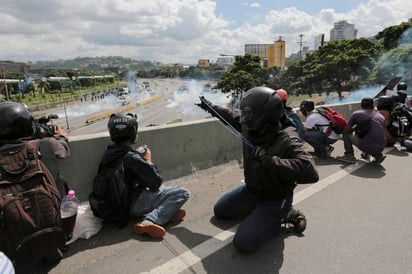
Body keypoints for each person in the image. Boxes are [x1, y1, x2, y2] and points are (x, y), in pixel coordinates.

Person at [197, 87, 319, 253]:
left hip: (275, 196)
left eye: (249, 115)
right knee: (221, 211)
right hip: (253, 190)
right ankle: (264, 214)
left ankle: (285, 214)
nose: (244, 119)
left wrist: (268, 160)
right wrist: (208, 105)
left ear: (266, 117)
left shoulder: (288, 138)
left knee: (243, 243)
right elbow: (229, 115)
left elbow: (309, 171)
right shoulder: (251, 124)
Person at [0, 101, 70, 269]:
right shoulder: (45, 145)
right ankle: (64, 234)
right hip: (49, 223)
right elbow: (64, 150)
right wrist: (61, 136)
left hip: (11, 239)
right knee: (64, 185)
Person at [101, 112, 190, 239]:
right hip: (130, 205)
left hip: (112, 206)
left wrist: (137, 157)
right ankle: (150, 221)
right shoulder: (133, 158)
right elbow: (155, 183)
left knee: (162, 191)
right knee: (182, 192)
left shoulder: (108, 153)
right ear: (133, 133)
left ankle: (166, 213)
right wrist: (148, 161)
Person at [335, 97, 386, 164]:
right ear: (373, 106)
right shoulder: (381, 116)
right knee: (367, 134)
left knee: (346, 134)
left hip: (368, 145)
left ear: (361, 105)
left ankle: (349, 155)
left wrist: (354, 128)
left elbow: (346, 130)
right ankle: (377, 155)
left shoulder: (357, 114)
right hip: (382, 146)